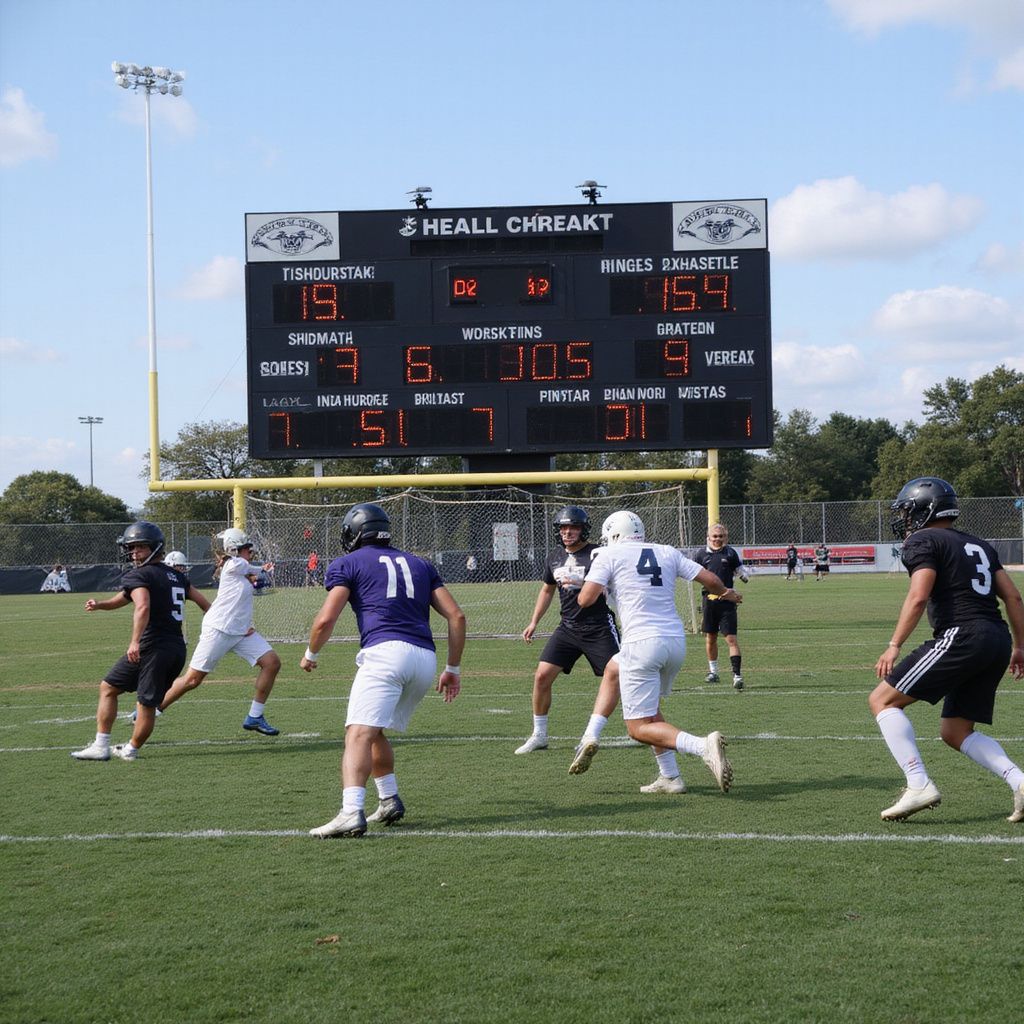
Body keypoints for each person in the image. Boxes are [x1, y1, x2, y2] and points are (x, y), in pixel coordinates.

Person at [301, 502, 466, 838]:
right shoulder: (420, 562)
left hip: (386, 654)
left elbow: (325, 619)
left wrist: (310, 653)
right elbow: (457, 616)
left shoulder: (347, 562)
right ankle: (389, 798)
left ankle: (350, 812)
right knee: (374, 731)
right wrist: (453, 668)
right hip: (424, 658)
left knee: (357, 734)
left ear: (354, 533)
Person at [869, 476, 1024, 823]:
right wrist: (1020, 646)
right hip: (996, 639)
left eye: (909, 512)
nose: (905, 520)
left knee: (882, 700)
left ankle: (918, 783)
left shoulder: (923, 539)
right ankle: (1021, 782)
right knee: (955, 731)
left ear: (925, 509)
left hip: (962, 634)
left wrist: (894, 645)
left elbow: (919, 595)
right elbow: (1013, 597)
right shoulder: (979, 543)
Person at [577, 510, 741, 796]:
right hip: (674, 641)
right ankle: (670, 776)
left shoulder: (609, 555)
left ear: (613, 534)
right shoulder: (666, 551)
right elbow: (710, 579)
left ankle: (702, 746)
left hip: (641, 642)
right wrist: (728, 593)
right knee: (619, 675)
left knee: (637, 728)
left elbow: (586, 599)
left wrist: (588, 585)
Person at [71, 522, 210, 762]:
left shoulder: (139, 574)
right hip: (175, 647)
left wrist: (134, 642)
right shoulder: (176, 576)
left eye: (140, 548)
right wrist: (100, 604)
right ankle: (102, 745)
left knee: (145, 703)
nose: (134, 553)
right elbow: (205, 604)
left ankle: (129, 749)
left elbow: (142, 605)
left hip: (152, 647)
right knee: (109, 687)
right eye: (132, 548)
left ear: (155, 548)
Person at [516, 506, 621, 773]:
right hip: (568, 627)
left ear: (583, 529)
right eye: (563, 528)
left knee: (624, 677)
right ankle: (539, 735)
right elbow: (547, 590)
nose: (567, 532)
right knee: (541, 676)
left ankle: (644, 722)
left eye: (572, 527)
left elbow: (613, 585)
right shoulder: (554, 557)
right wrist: (534, 621)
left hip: (599, 626)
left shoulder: (599, 553)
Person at [156, 528, 282, 735]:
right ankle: (151, 710)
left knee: (272, 663)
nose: (251, 552)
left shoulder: (241, 570)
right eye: (247, 548)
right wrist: (264, 569)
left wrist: (259, 576)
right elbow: (252, 569)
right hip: (219, 629)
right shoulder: (235, 564)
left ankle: (255, 716)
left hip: (240, 632)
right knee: (192, 680)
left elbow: (245, 593)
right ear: (235, 548)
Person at [694, 524, 749, 690]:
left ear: (726, 537)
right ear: (708, 537)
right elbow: (695, 573)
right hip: (709, 601)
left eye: (721, 536)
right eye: (715, 536)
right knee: (710, 637)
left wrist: (744, 575)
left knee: (731, 639)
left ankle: (737, 676)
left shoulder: (730, 553)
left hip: (728, 602)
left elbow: (740, 570)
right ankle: (713, 672)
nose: (718, 539)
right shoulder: (701, 554)